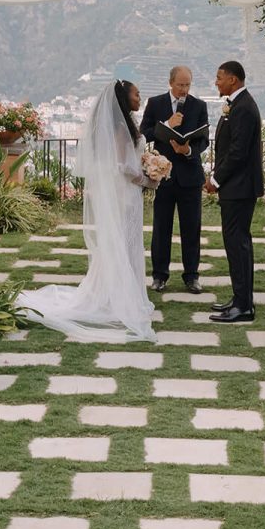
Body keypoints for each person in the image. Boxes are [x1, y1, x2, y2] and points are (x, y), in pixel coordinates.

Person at [19, 81, 159, 342]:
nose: (140, 98)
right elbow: (123, 167)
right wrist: (148, 180)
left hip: (126, 193)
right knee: (125, 244)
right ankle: (119, 297)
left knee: (123, 243)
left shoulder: (121, 126)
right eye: (136, 94)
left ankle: (119, 293)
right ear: (124, 98)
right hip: (126, 194)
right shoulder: (120, 129)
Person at [142, 65, 210, 294]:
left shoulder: (199, 106)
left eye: (187, 85)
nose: (184, 89)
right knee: (161, 228)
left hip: (190, 176)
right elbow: (143, 133)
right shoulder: (155, 103)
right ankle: (159, 276)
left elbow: (204, 140)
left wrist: (188, 150)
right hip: (163, 176)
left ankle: (192, 276)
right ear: (171, 82)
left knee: (192, 228)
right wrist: (167, 125)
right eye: (180, 85)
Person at [206, 60, 263, 324]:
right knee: (237, 244)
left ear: (233, 79)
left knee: (237, 245)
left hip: (239, 188)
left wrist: (215, 180)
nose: (216, 82)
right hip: (236, 188)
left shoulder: (244, 108)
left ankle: (243, 306)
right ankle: (241, 299)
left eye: (219, 77)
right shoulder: (238, 105)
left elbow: (238, 152)